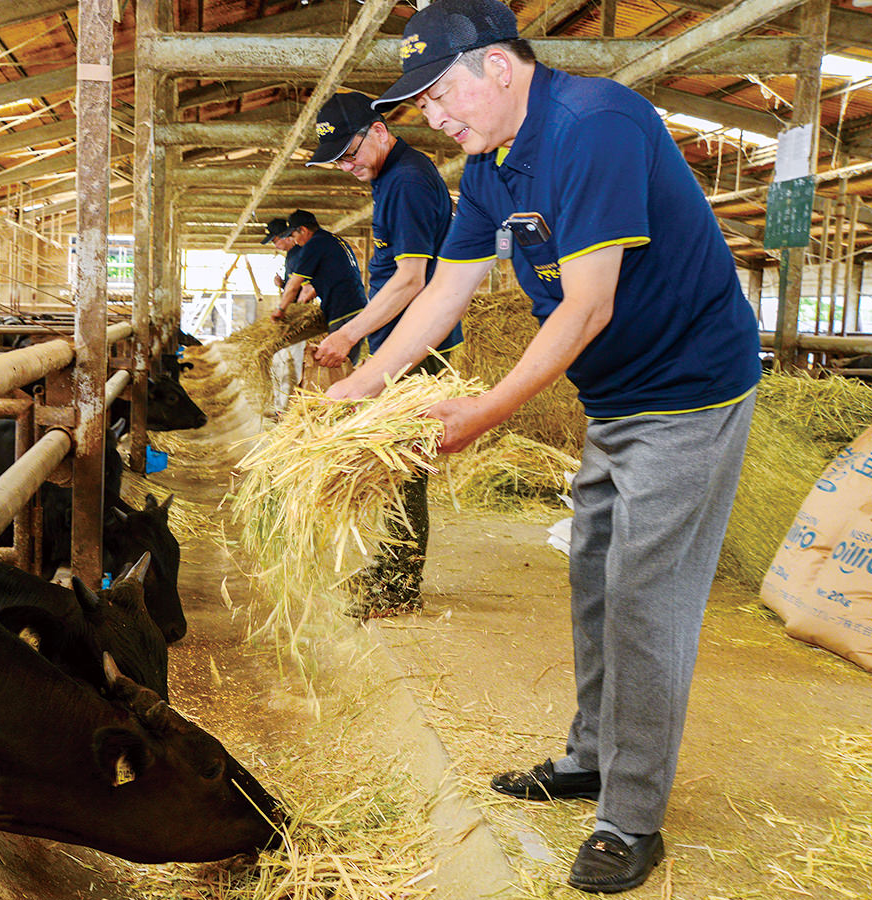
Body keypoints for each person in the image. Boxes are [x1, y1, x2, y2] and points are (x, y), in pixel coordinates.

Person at [336, 0, 760, 892]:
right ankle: (591, 757)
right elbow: (448, 290)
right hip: (614, 394)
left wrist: (484, 411)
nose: (435, 119)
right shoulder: (489, 164)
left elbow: (588, 304)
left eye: (443, 94)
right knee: (594, 573)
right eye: (423, 106)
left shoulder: (594, 126)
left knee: (646, 596)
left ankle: (631, 818)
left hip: (688, 391)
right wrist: (360, 385)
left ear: (500, 65)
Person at [304, 91, 465, 615]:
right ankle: (391, 568)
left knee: (404, 464)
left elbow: (411, 280)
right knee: (393, 462)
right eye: (338, 162)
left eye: (349, 153)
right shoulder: (394, 178)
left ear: (378, 130)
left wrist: (349, 335)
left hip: (419, 347)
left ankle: (400, 587)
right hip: (404, 342)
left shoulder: (408, 182)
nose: (347, 167)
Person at [269, 210, 364, 362]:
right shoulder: (333, 240)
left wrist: (281, 310)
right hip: (358, 306)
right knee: (349, 361)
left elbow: (295, 285)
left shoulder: (313, 245)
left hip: (342, 310)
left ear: (304, 230)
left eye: (294, 235)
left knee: (337, 363)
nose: (295, 241)